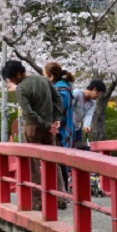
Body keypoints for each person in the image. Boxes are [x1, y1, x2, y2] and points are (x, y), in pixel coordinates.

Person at [1, 60, 65, 210]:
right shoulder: (44, 80)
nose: (11, 82)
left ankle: (38, 200)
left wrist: (44, 124)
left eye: (11, 78)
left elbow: (29, 112)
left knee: (33, 164)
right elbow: (58, 99)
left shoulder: (22, 88)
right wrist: (55, 119)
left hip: (32, 127)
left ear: (17, 74)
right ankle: (60, 197)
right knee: (52, 162)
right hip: (49, 127)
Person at [44, 62, 75, 190]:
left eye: (44, 74)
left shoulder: (60, 89)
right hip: (65, 127)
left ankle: (62, 193)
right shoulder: (65, 87)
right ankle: (62, 192)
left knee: (59, 161)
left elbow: (60, 108)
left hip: (61, 128)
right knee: (60, 161)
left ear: (51, 76)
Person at [73, 80, 107, 147]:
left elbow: (89, 115)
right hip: (67, 127)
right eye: (99, 94)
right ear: (95, 89)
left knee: (80, 149)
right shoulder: (76, 94)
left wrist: (86, 125)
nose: (98, 97)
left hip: (77, 128)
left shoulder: (92, 103)